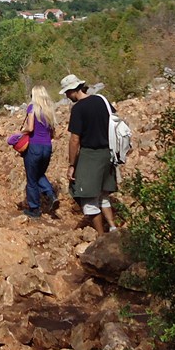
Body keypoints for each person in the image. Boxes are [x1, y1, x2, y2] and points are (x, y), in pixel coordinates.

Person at [59, 73, 118, 234]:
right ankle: (112, 227)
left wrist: (72, 165)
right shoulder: (102, 100)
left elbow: (74, 139)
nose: (66, 95)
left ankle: (101, 236)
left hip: (91, 155)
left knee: (88, 197)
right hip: (108, 153)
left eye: (67, 92)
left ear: (73, 90)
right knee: (103, 194)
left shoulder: (78, 108)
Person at [20, 85, 57, 218]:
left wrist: (19, 133)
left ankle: (34, 209)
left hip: (34, 147)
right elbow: (53, 133)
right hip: (47, 147)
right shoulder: (49, 110)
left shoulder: (32, 108)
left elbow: (30, 128)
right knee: (39, 173)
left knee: (32, 178)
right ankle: (50, 194)